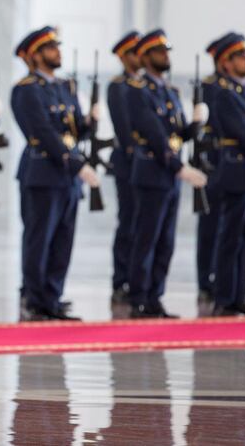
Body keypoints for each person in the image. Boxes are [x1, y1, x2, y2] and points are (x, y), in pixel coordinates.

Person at [10, 26, 99, 321]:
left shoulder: (65, 86)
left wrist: (89, 122)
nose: (57, 52)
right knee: (40, 239)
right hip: (42, 173)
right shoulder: (26, 89)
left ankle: (53, 296)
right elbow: (43, 133)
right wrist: (76, 164)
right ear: (35, 55)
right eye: (50, 48)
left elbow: (72, 130)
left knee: (63, 239)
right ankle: (35, 299)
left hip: (67, 176)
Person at [126, 29, 208, 318]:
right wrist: (180, 168)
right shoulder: (137, 91)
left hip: (169, 177)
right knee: (146, 238)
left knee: (166, 241)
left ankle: (155, 297)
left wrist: (194, 127)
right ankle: (138, 298)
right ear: (146, 57)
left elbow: (175, 135)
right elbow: (154, 135)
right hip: (151, 174)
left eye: (167, 52)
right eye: (159, 52)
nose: (166, 57)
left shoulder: (170, 92)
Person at [209, 33, 245, 316]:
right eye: (241, 56)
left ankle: (239, 295)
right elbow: (244, 133)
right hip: (237, 171)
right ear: (226, 63)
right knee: (231, 237)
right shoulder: (223, 93)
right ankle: (224, 296)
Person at [196, 32, 236, 309]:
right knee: (209, 225)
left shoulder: (239, 88)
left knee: (231, 229)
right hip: (212, 163)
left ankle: (224, 284)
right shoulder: (211, 87)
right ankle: (205, 280)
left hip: (234, 168)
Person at [106, 31, 141, 305]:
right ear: (125, 56)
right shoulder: (119, 86)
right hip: (130, 163)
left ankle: (139, 279)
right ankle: (121, 280)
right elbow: (124, 128)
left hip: (148, 165)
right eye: (135, 52)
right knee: (128, 222)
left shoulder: (145, 86)